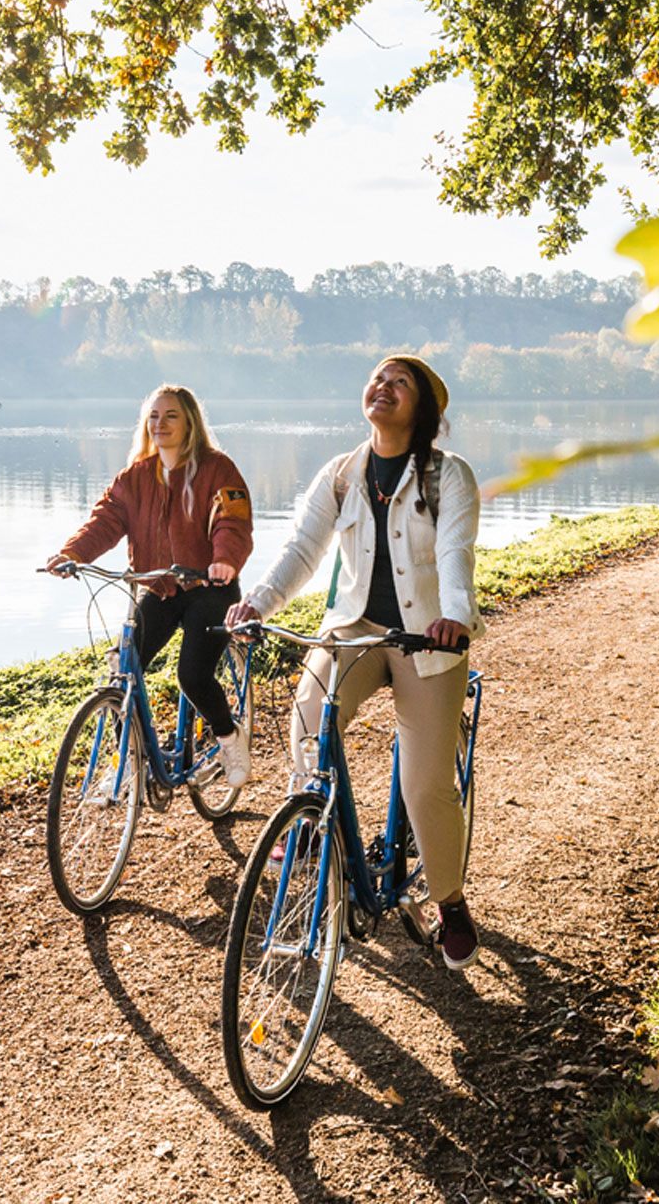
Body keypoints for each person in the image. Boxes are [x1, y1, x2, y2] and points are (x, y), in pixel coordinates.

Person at [225, 356, 485, 968]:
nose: (384, 387)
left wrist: (454, 617)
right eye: (378, 377)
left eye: (401, 383)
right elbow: (303, 549)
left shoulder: (448, 477)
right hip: (355, 630)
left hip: (428, 640)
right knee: (309, 717)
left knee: (425, 789)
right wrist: (257, 601)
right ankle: (325, 843)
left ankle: (449, 902)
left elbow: (455, 554)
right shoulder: (341, 474)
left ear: (422, 409)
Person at [48, 386, 255, 786]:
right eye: (154, 416)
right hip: (158, 589)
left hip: (209, 589)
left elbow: (233, 518)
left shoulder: (217, 468)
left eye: (171, 415)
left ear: (190, 422)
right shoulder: (136, 476)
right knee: (121, 669)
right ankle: (127, 760)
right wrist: (72, 554)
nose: (160, 424)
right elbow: (105, 522)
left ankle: (230, 738)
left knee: (193, 676)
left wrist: (225, 559)